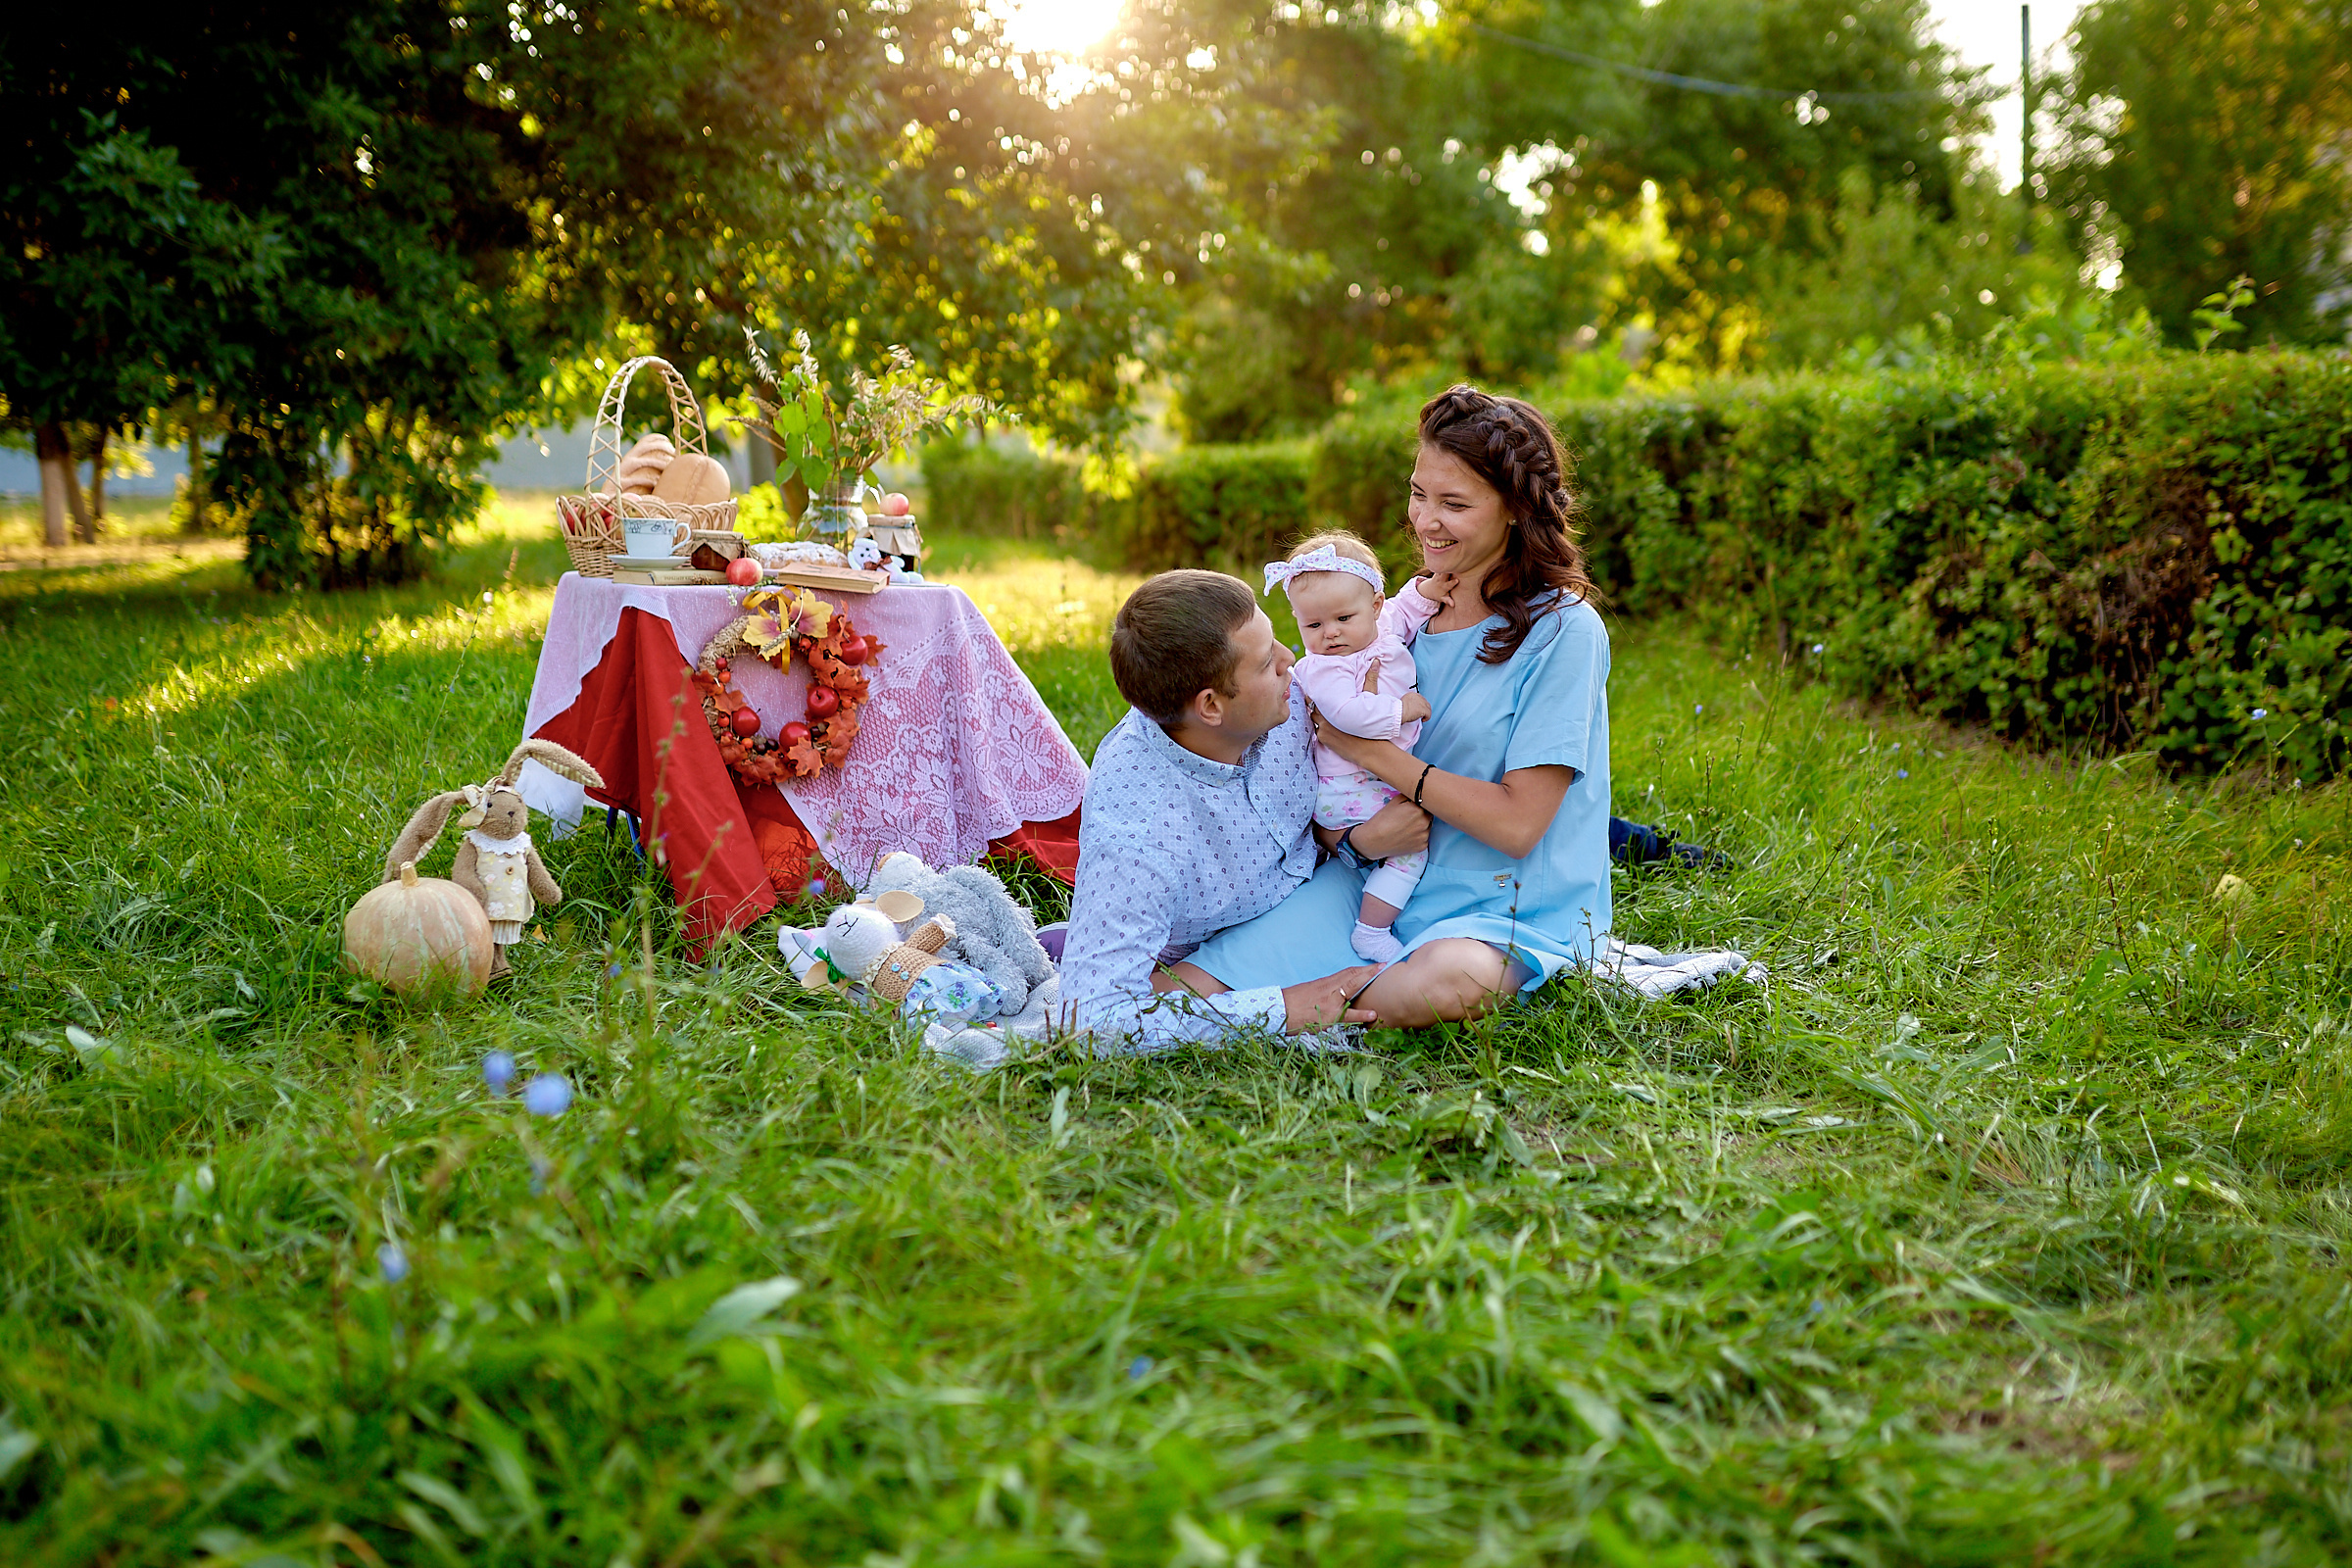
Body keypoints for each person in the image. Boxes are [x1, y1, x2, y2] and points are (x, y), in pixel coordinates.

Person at [1169, 384, 1613, 1028]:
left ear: (1515, 509)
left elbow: (1519, 826)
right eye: (1418, 492)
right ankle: (1284, 1002)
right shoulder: (1394, 616)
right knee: (1173, 987)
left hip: (1506, 909)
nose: (1425, 521)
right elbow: (1325, 772)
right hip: (1380, 883)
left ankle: (1286, 1011)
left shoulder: (1563, 632)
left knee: (1449, 982)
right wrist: (1353, 838)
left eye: (1454, 504)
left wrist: (1373, 753)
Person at [1055, 569, 1397, 1049]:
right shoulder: (1139, 832)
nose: (1291, 659)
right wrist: (1281, 1009)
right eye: (1264, 663)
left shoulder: (1283, 697)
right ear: (1211, 707)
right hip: (1218, 956)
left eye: (1277, 639)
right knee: (1428, 988)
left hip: (1341, 882)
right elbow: (1091, 1023)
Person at [1262, 532, 1445, 963]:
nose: (1330, 634)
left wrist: (1428, 591)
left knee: (1409, 843)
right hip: (1349, 786)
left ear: (1375, 607)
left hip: (1366, 776)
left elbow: (1403, 611)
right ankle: (1372, 929)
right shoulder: (1324, 667)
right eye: (1313, 625)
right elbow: (1346, 713)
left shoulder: (1379, 631)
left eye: (1344, 618)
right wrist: (1398, 711)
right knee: (1410, 852)